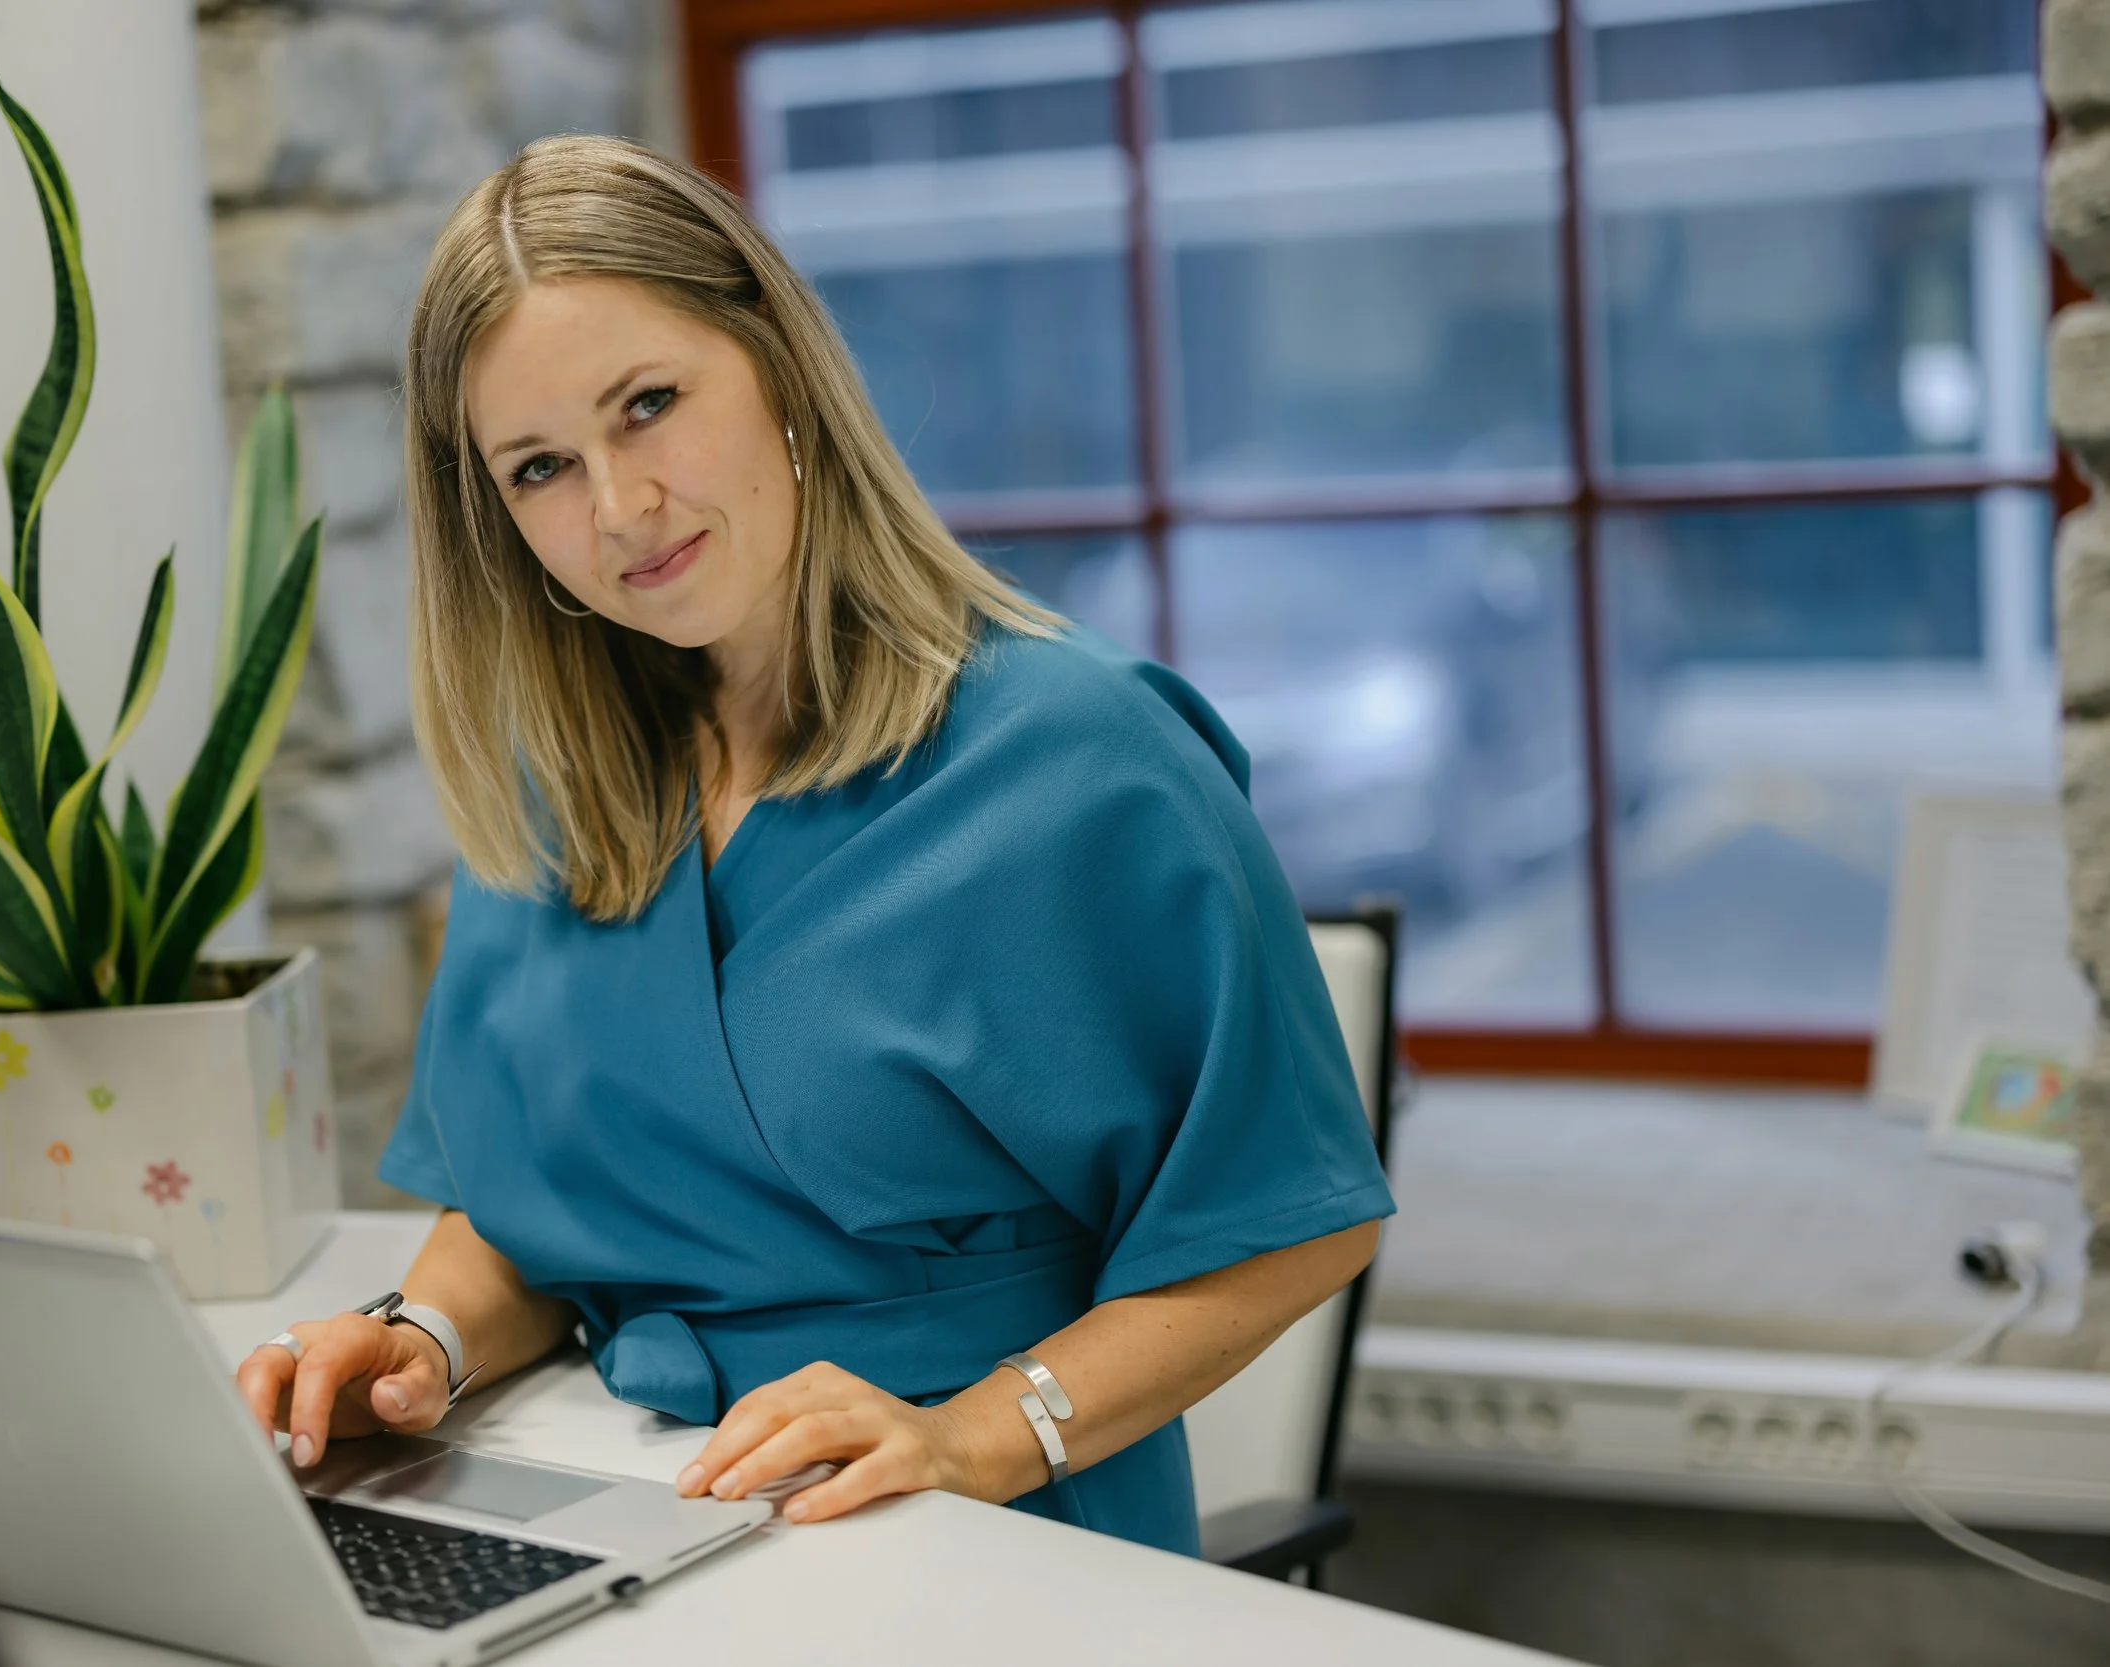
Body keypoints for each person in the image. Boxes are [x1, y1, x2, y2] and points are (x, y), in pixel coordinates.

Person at [236, 135, 1394, 1555]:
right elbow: (532, 1213)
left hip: (982, 1527)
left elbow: (1297, 1220)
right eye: (541, 467)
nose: (618, 509)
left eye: (649, 404)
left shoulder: (1080, 755)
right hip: (636, 1504)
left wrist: (972, 1431)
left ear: (776, 366)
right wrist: (421, 1337)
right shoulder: (558, 788)